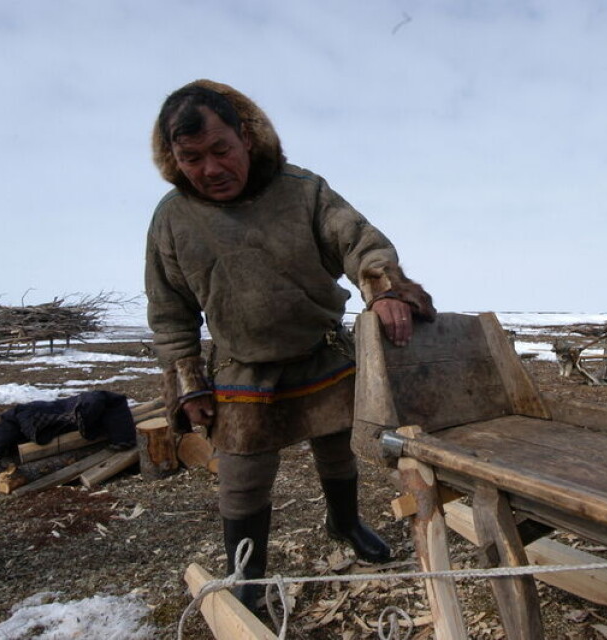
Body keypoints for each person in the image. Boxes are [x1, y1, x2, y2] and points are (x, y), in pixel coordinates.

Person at [144, 79, 436, 610]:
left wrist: (384, 290)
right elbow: (169, 311)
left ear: (246, 137)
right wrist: (187, 384)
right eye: (191, 158)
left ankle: (344, 523)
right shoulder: (172, 219)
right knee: (242, 478)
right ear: (173, 158)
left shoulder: (302, 190)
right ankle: (248, 583)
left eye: (220, 151)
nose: (210, 169)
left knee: (336, 447)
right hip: (241, 365)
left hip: (318, 352)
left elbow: (359, 241)